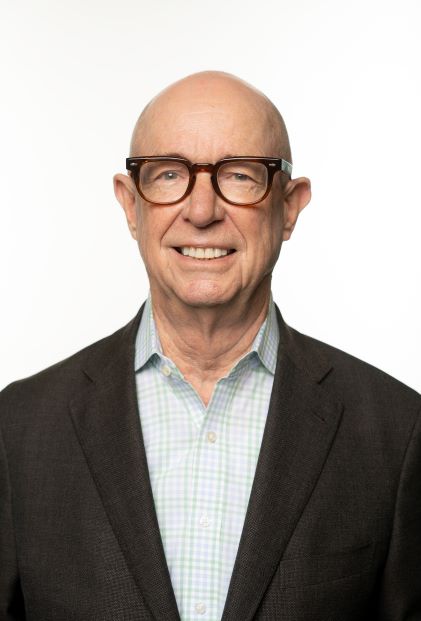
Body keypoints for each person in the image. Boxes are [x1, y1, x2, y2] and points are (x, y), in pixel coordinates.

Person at [0, 71, 420, 621]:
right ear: (130, 205)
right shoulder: (18, 429)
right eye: (168, 174)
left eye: (240, 175)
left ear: (290, 206)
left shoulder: (397, 432)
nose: (201, 211)